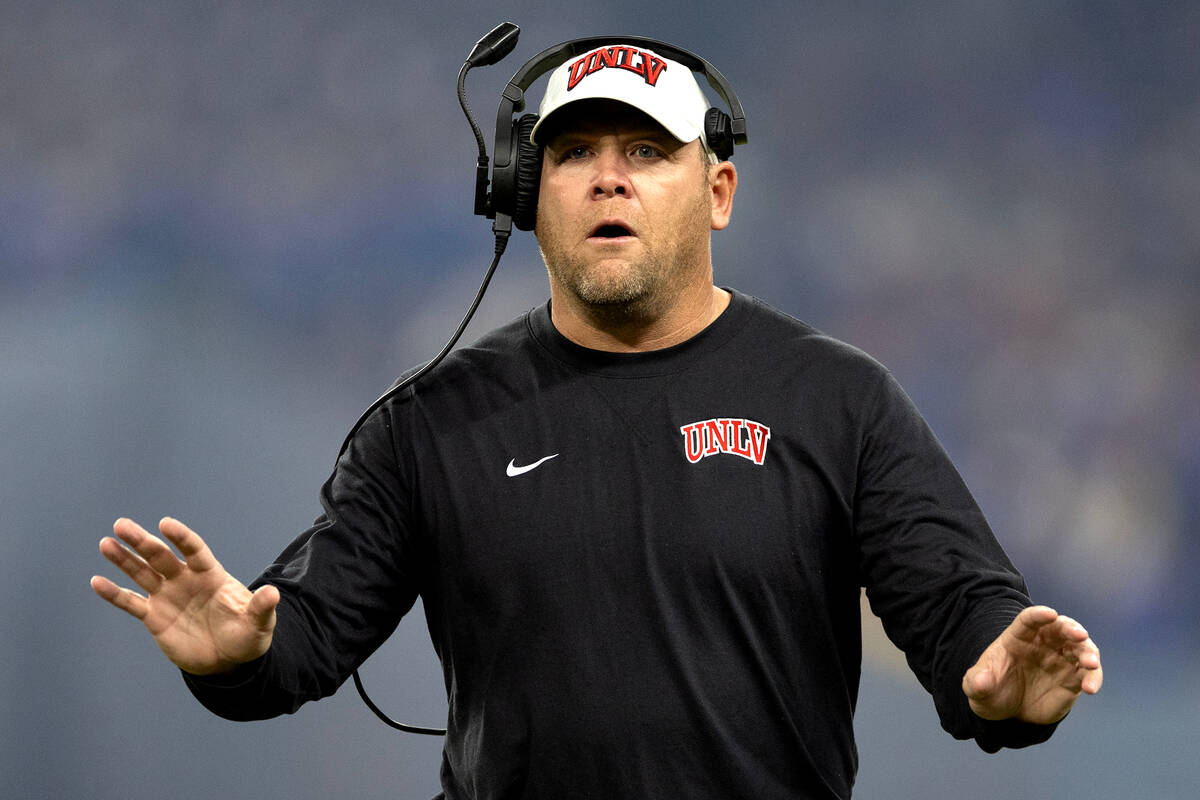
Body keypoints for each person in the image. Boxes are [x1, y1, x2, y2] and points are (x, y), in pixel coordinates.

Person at [91, 38, 1102, 800]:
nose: (608, 174)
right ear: (526, 197)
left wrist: (1003, 684)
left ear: (718, 192)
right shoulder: (431, 421)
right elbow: (300, 633)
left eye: (646, 150)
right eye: (574, 152)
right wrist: (236, 654)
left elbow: (963, 612)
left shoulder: (838, 399)